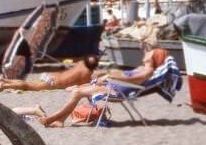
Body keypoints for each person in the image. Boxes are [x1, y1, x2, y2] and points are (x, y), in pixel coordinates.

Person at [40, 49, 168, 127]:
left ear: (153, 58)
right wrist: (106, 74)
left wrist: (110, 77)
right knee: (78, 90)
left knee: (77, 92)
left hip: (118, 92)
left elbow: (132, 81)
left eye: (149, 53)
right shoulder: (142, 68)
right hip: (113, 86)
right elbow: (123, 75)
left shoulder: (147, 71)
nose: (145, 53)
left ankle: (53, 119)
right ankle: (60, 120)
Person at [0, 55, 101, 92]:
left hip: (51, 75)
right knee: (28, 86)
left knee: (29, 82)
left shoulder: (81, 63)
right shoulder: (87, 73)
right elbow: (84, 86)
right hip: (53, 82)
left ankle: (4, 80)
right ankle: (5, 86)